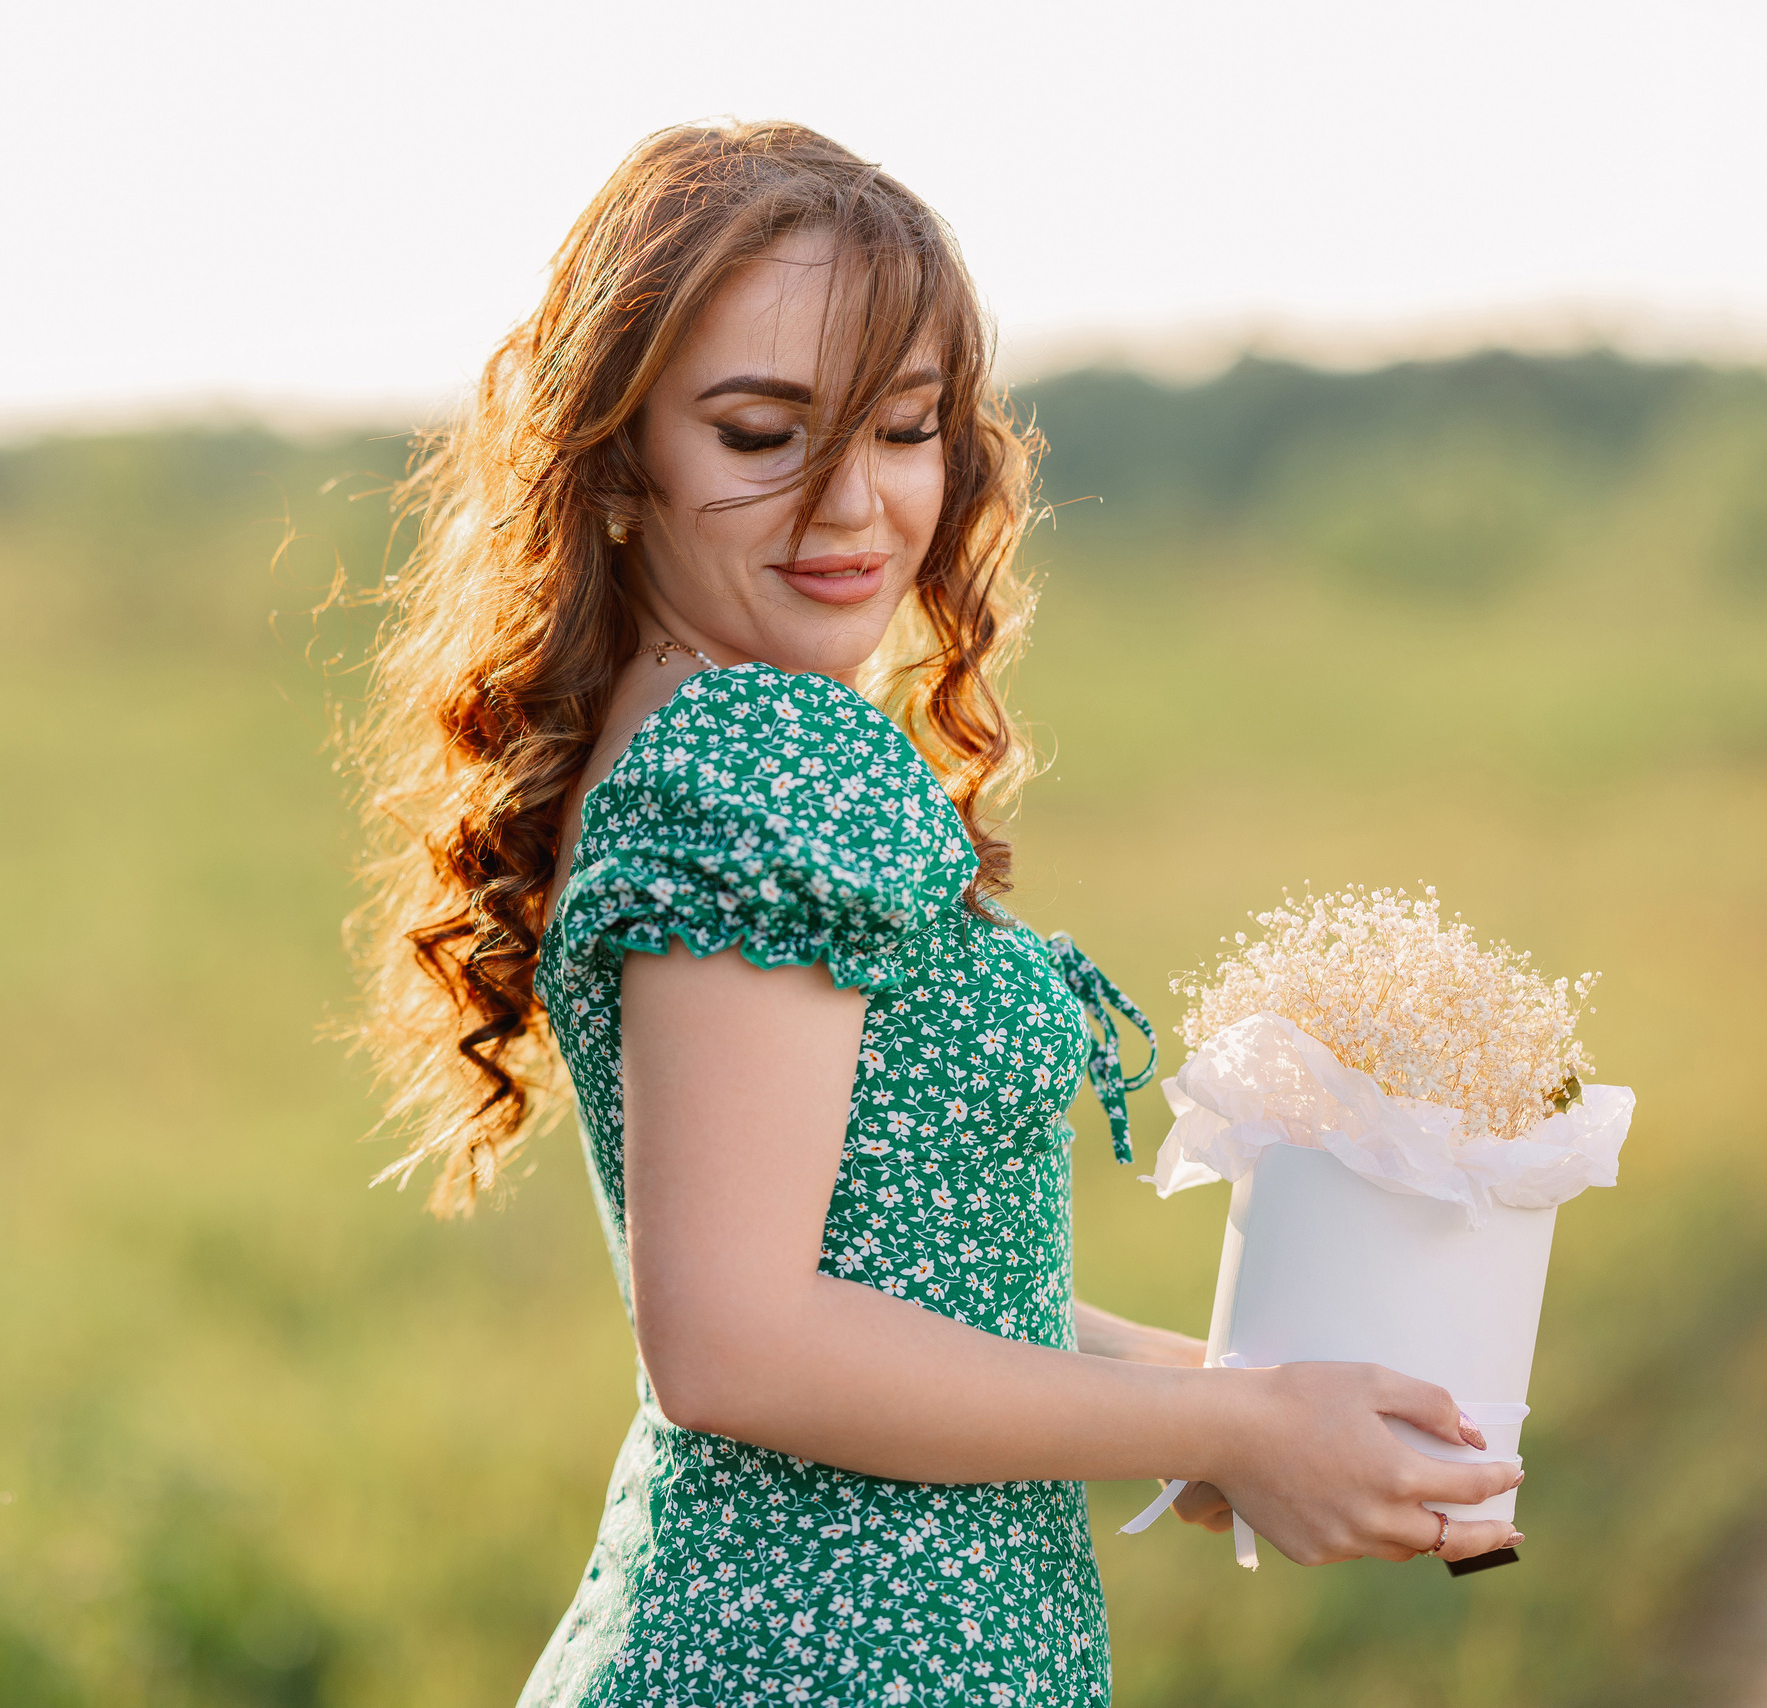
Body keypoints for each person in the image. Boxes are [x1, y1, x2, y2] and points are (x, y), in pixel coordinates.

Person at [344, 120, 1523, 1707]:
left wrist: (1256, 1400)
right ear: (621, 459)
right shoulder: (770, 754)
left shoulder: (674, 720)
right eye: (763, 434)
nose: (852, 508)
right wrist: (1230, 1427)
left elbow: (914, 1283)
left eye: (902, 429)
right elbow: (737, 1346)